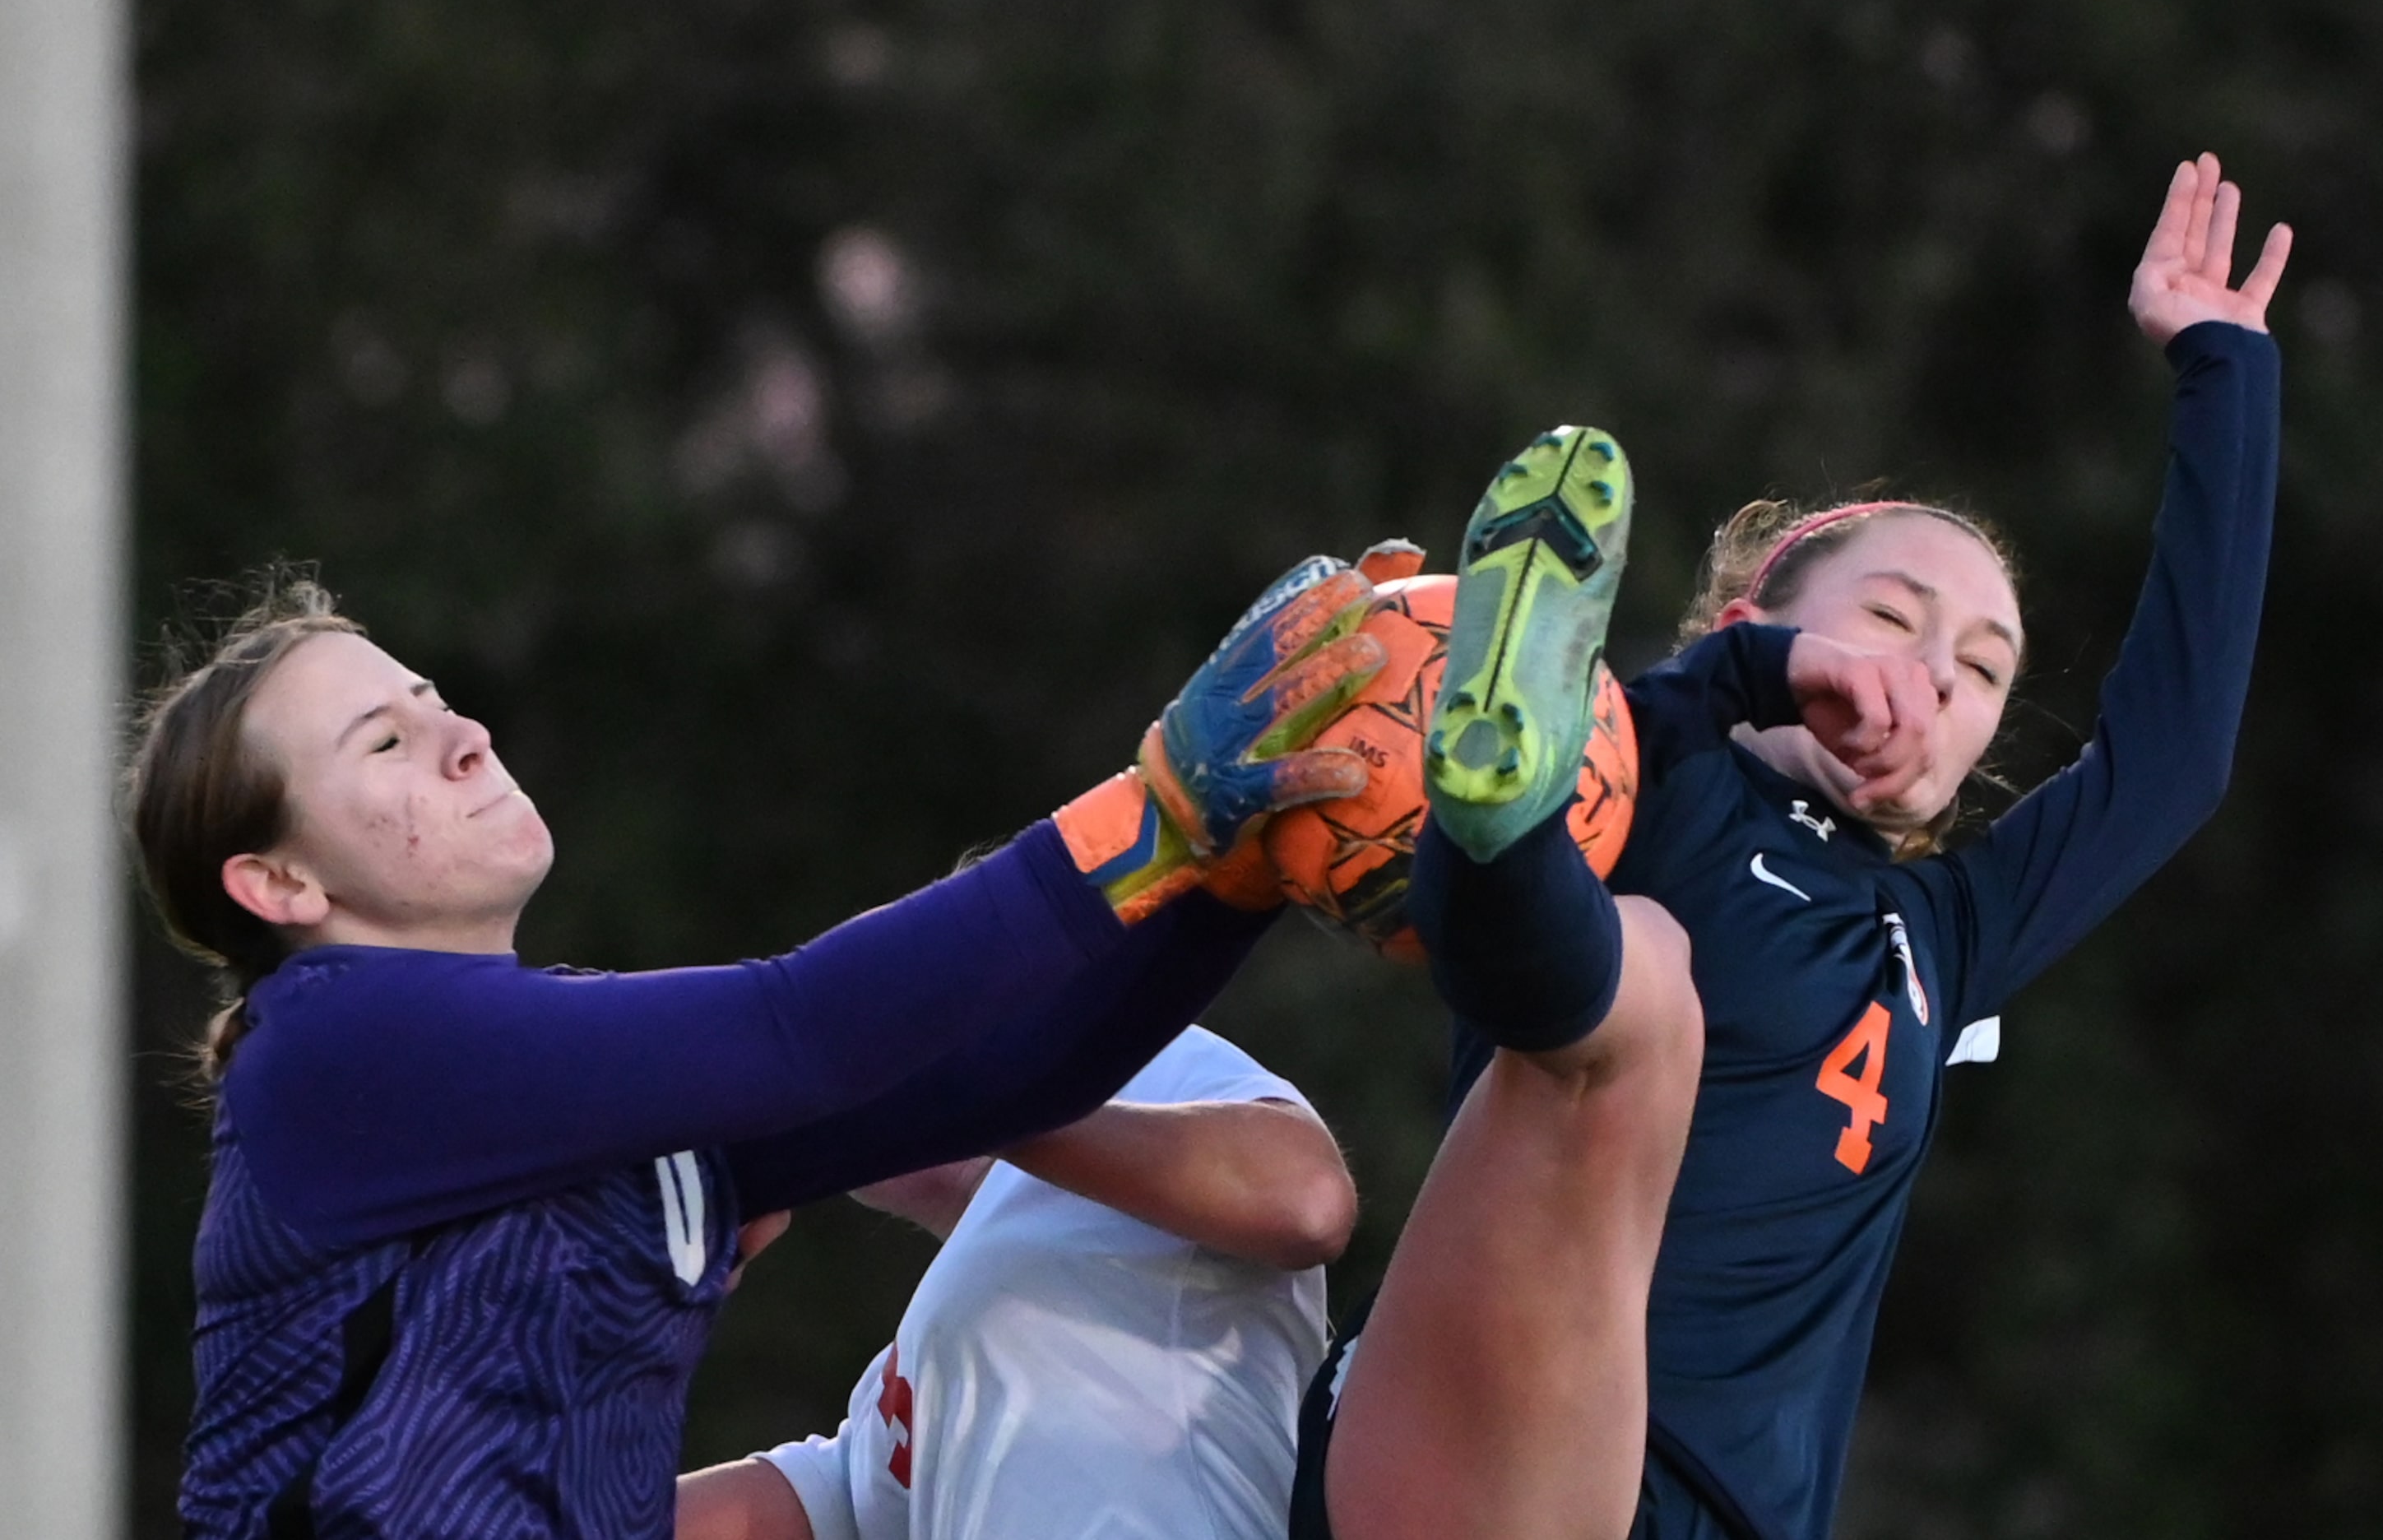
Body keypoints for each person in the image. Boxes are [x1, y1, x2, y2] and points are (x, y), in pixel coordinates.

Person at [1289, 153, 2290, 1540]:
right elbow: (1640, 746)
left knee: (1614, 951)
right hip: (1474, 1451)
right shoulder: (1662, 762)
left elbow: (2172, 758)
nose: (1936, 672)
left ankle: (1501, 842)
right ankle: (1490, 821)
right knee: (1614, 946)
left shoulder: (1948, 930)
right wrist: (1749, 677)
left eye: (1983, 666)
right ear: (1760, 610)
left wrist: (2225, 370)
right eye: (1891, 615)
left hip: (1726, 1518)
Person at [136, 550, 1401, 1539]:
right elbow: (805, 1025)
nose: (461, 733)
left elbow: (1009, 1079)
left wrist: (1234, 871)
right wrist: (1156, 812)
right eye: (387, 742)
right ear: (278, 883)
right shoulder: (330, 1048)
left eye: (432, 697)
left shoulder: (542, 1081)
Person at [675, 1025, 1355, 1540]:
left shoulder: (1145, 1062)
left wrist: (973, 1097)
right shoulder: (923, 1370)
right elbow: (808, 1506)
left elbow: (1307, 1203)